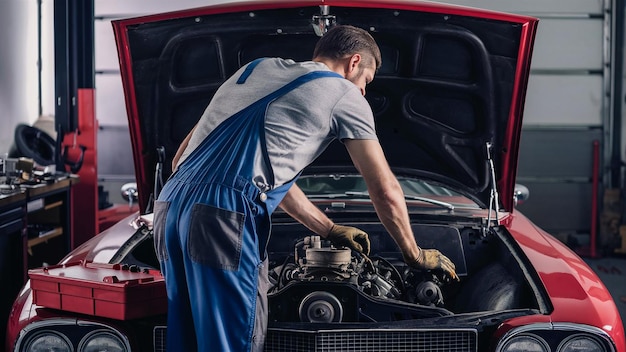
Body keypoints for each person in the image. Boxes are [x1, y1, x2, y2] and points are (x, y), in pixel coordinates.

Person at [153, 25, 458, 352]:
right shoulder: (343, 93)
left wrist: (329, 228)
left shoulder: (253, 70)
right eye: (366, 81)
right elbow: (384, 189)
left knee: (185, 338)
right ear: (354, 63)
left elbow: (184, 159)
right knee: (230, 342)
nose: (364, 92)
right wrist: (414, 254)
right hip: (224, 219)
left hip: (169, 208)